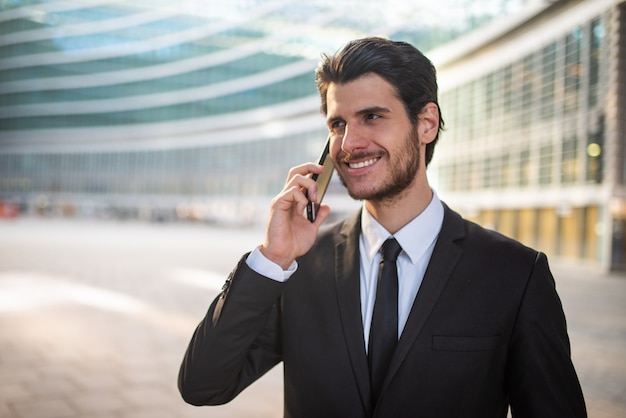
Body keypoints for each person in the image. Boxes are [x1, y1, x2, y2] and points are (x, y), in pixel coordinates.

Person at [178, 37, 587, 418]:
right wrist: (272, 258)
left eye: (372, 116)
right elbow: (203, 385)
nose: (349, 142)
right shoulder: (300, 266)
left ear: (426, 123)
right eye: (337, 125)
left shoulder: (514, 274)